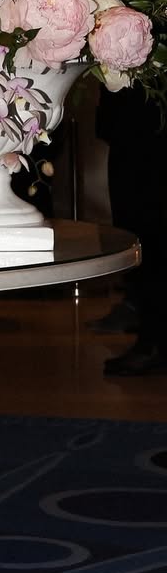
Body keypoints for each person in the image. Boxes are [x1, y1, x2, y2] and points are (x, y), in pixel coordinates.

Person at [96, 84, 167, 375]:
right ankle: (150, 330)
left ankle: (154, 339)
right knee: (138, 226)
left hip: (146, 122)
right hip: (135, 118)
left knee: (145, 227)